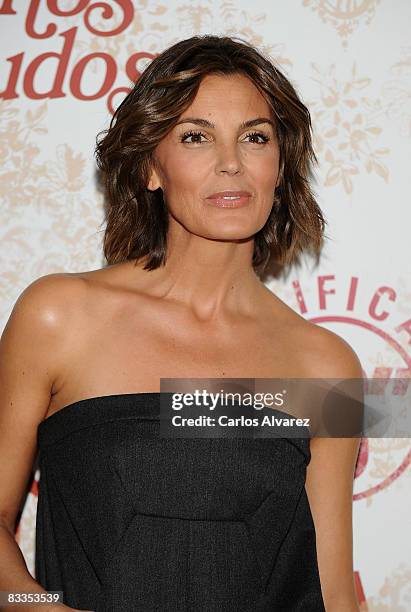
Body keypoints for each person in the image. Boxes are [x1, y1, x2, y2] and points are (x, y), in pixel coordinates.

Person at [0, 35, 363, 611]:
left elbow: (334, 591)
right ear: (150, 166)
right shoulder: (59, 316)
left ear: (279, 167)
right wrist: (33, 608)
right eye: (196, 137)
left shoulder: (327, 366)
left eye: (255, 137)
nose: (230, 163)